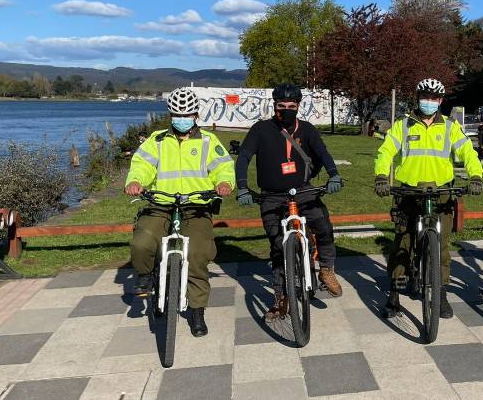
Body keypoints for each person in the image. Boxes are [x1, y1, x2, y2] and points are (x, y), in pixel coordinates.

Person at [125, 87, 235, 337]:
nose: (182, 118)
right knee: (143, 242)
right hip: (161, 203)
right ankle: (147, 275)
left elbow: (223, 167)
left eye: (187, 113)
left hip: (196, 206)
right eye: (177, 113)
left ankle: (197, 311)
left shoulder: (208, 141)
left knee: (197, 254)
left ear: (196, 115)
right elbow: (141, 165)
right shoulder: (157, 140)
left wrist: (224, 183)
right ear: (170, 114)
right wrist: (136, 182)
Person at [374, 78, 483, 319]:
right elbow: (386, 151)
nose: (429, 102)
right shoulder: (403, 125)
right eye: (425, 97)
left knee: (442, 246)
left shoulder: (449, 127)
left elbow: (468, 151)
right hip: (409, 192)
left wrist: (476, 175)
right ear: (417, 98)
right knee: (403, 241)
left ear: (441, 101)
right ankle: (393, 295)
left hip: (441, 192)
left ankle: (441, 294)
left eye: (434, 99)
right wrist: (382, 176)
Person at [235, 83, 345, 321]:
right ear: (274, 106)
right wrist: (243, 187)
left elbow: (323, 153)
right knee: (277, 248)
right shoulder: (260, 129)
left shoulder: (307, 130)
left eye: (291, 106)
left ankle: (326, 269)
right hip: (271, 195)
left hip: (303, 191)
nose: (286, 110)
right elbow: (243, 157)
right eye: (281, 106)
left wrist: (334, 174)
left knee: (323, 226)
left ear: (298, 106)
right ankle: (280, 298)